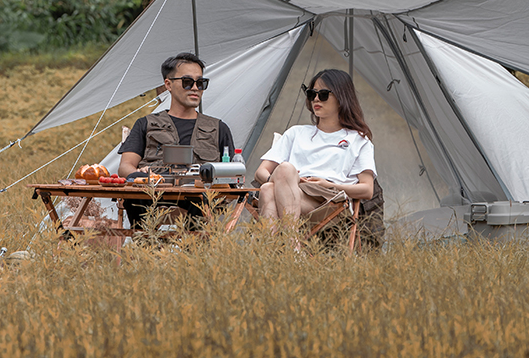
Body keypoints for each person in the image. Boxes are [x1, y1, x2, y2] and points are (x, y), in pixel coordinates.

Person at [118, 52, 235, 227]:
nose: (195, 88)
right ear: (168, 85)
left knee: (202, 200)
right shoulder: (146, 124)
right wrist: (139, 176)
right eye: (187, 82)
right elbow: (125, 166)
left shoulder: (218, 128)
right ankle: (148, 250)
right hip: (153, 195)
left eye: (201, 83)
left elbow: (232, 175)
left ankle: (193, 252)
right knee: (134, 198)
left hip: (198, 198)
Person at [255, 68, 376, 223]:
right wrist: (284, 180)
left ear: (341, 97)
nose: (316, 99)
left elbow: (367, 189)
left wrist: (329, 185)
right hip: (294, 191)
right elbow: (260, 172)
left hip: (328, 201)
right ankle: (290, 244)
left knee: (278, 177)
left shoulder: (358, 139)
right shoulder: (296, 132)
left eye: (323, 94)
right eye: (312, 94)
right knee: (270, 186)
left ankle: (283, 245)